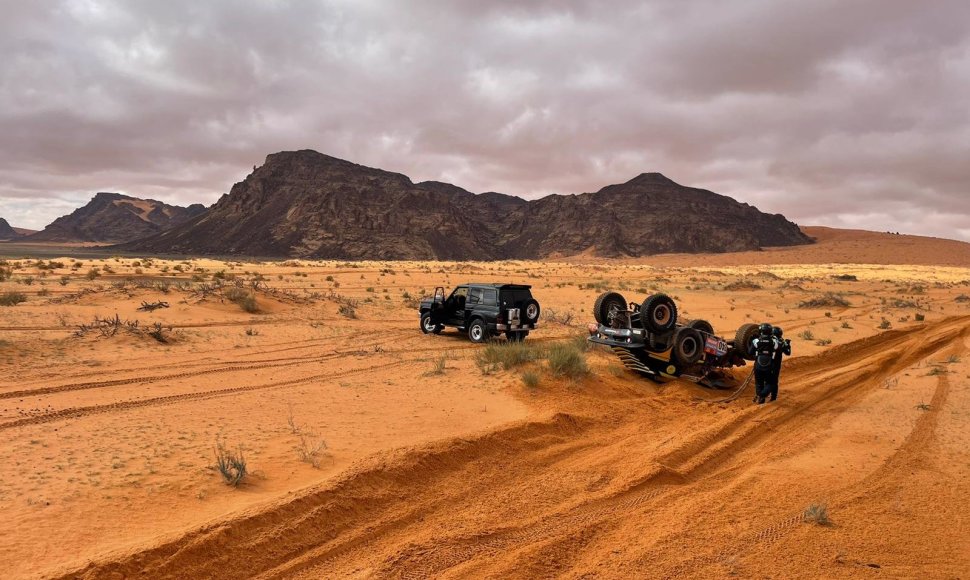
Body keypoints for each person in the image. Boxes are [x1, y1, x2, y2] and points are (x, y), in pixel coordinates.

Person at [751, 323, 780, 405]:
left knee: (759, 383)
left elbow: (750, 352)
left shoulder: (756, 341)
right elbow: (778, 352)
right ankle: (762, 395)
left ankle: (760, 397)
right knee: (770, 383)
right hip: (769, 366)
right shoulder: (774, 341)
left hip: (758, 365)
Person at [768, 326, 792, 402]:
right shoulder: (781, 342)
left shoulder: (770, 340)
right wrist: (788, 345)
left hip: (767, 362)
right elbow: (788, 353)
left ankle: (764, 395)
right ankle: (773, 397)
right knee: (774, 380)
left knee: (766, 379)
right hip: (776, 364)